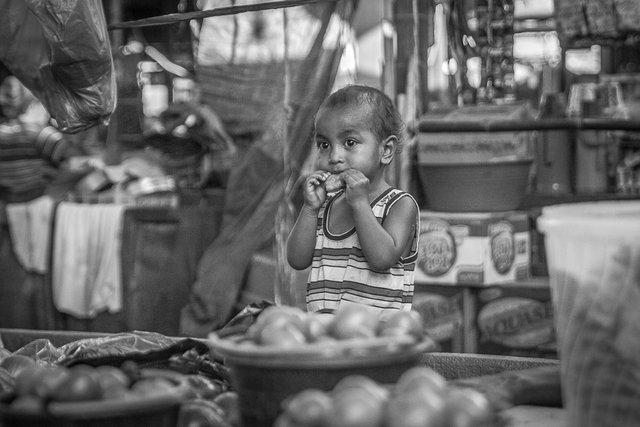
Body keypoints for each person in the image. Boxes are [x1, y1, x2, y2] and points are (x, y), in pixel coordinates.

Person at [286, 84, 420, 319]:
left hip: (378, 343)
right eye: (324, 145)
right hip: (326, 340)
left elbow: (382, 259)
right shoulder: (325, 206)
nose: (334, 157)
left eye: (349, 142)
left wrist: (359, 203)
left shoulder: (399, 204)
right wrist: (309, 209)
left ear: (386, 150)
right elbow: (297, 260)